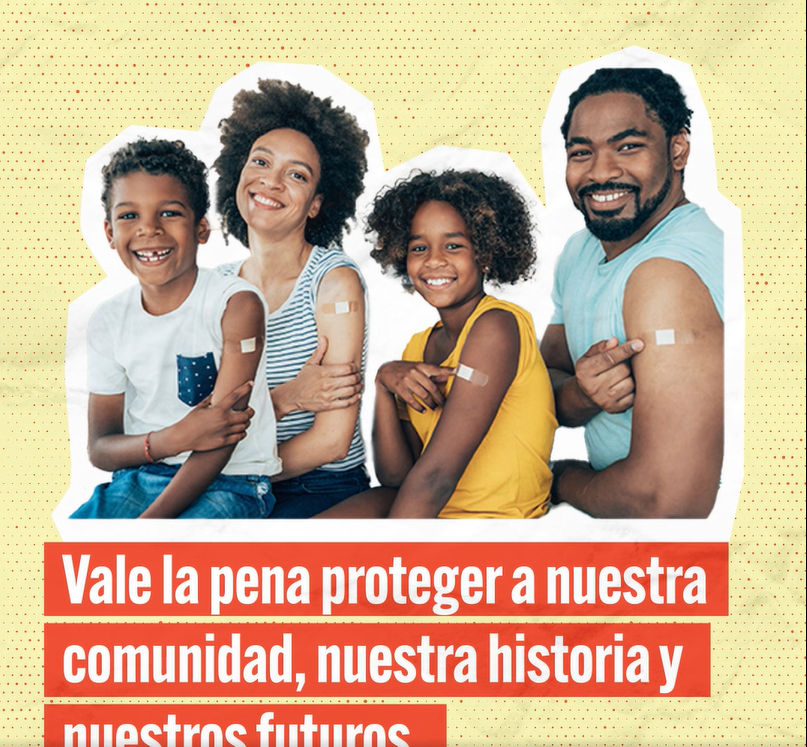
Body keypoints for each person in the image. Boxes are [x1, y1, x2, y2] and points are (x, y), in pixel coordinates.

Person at [541, 67, 724, 519]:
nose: (601, 172)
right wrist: (582, 396)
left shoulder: (665, 276)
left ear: (677, 149)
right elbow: (541, 376)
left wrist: (558, 477)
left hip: (694, 562)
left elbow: (666, 502)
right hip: (617, 543)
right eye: (582, 152)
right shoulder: (581, 252)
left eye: (628, 146)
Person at [323, 170, 556, 519]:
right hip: (433, 508)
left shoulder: (496, 327)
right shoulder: (417, 347)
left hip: (492, 522)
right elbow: (397, 475)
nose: (434, 260)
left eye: (453, 245)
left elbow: (436, 478)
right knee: (294, 550)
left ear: (486, 251)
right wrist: (384, 383)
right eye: (419, 247)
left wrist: (387, 570)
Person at [71, 139, 280, 519]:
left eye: (168, 213)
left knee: (160, 567)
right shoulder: (108, 321)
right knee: (71, 562)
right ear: (109, 233)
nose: (149, 230)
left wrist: (148, 527)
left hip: (232, 481)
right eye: (129, 216)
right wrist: (173, 439)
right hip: (141, 476)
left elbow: (223, 434)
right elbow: (100, 448)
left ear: (201, 229)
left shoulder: (236, 305)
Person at [214, 79, 372, 517]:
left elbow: (331, 441)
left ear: (317, 204)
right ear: (238, 174)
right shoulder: (215, 288)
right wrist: (289, 396)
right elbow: (197, 421)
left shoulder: (335, 284)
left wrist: (224, 467)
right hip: (229, 480)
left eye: (296, 174)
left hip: (318, 487)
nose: (272, 181)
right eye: (260, 162)